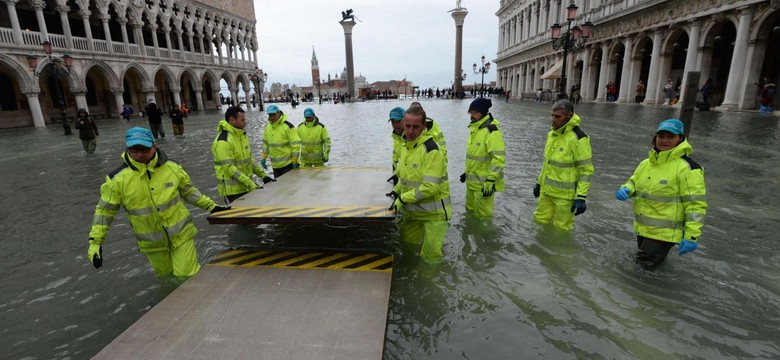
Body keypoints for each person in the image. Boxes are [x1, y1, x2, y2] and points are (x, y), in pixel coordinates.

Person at [86, 127, 230, 278]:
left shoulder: (172, 168)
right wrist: (95, 242)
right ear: (127, 149)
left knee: (187, 276)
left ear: (154, 146)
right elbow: (104, 211)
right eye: (134, 150)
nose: (140, 155)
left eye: (144, 149)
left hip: (181, 233)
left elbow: (189, 192)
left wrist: (211, 206)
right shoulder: (116, 180)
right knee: (166, 278)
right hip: (152, 242)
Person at [615, 119, 707, 270]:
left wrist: (691, 236)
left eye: (670, 137)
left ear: (680, 139)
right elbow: (634, 182)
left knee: (641, 270)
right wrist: (626, 189)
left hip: (665, 233)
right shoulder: (646, 163)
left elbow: (695, 205)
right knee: (648, 267)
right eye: (661, 136)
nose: (664, 140)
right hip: (644, 228)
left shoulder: (688, 168)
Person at [387, 106, 451, 264]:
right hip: (413, 213)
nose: (410, 131)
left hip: (434, 215)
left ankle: (428, 284)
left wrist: (402, 199)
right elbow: (405, 177)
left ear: (424, 126)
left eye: (415, 127)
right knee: (407, 247)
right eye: (407, 126)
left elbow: (429, 188)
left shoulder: (431, 151)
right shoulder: (405, 146)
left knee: (430, 258)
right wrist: (396, 191)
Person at [533, 99, 594, 231]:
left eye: (558, 116)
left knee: (562, 229)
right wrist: (539, 182)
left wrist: (581, 196)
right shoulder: (552, 134)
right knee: (538, 221)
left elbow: (586, 170)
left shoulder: (578, 138)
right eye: (552, 115)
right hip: (546, 191)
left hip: (565, 197)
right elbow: (547, 163)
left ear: (569, 115)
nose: (553, 120)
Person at [212, 106, 275, 203]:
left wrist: (263, 175)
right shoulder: (223, 141)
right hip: (233, 191)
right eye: (242, 120)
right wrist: (249, 183)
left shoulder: (241, 136)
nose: (245, 122)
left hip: (246, 186)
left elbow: (249, 160)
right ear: (232, 120)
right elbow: (229, 168)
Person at [459, 97, 506, 218]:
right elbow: (476, 157)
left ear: (483, 112)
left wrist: (490, 181)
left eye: (475, 112)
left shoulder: (492, 131)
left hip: (484, 186)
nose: (472, 115)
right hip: (471, 183)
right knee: (470, 213)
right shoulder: (475, 128)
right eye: (471, 112)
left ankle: (484, 236)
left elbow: (498, 159)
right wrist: (467, 173)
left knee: (483, 218)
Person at [261, 105, 301, 178]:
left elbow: (295, 145)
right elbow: (266, 144)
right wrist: (264, 158)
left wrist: (294, 161)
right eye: (270, 115)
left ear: (279, 113)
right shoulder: (268, 128)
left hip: (288, 164)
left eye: (274, 115)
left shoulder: (288, 127)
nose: (272, 117)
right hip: (275, 165)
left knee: (289, 186)